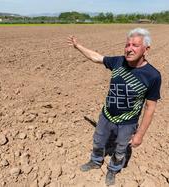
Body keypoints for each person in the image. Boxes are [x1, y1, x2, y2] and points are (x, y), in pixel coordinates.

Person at [67, 28, 161, 186]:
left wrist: (139, 135)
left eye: (135, 45)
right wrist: (78, 46)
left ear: (147, 49)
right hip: (106, 116)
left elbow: (150, 108)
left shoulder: (153, 75)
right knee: (98, 141)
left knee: (120, 149)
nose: (129, 48)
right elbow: (97, 58)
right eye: (127, 44)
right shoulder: (118, 62)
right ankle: (95, 161)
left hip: (128, 122)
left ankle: (113, 169)